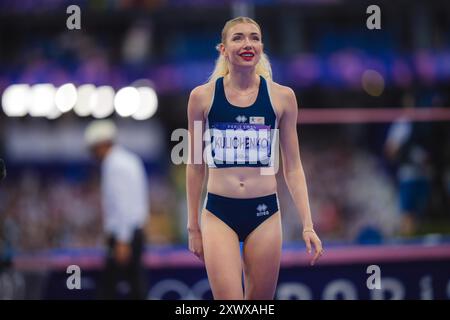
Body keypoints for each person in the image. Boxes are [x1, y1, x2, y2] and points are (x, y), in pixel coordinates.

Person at [186, 16, 323, 300]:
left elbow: (293, 167)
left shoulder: (282, 97)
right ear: (223, 49)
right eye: (238, 38)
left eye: (254, 37)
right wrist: (193, 227)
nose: (247, 43)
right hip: (218, 214)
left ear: (261, 46)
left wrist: (308, 223)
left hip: (264, 214)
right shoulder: (202, 98)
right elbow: (195, 165)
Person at [84, 120, 149, 299]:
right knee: (134, 283)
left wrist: (122, 239)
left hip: (125, 235)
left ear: (103, 143)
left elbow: (123, 204)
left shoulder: (114, 165)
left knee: (115, 286)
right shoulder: (129, 159)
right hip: (134, 231)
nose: (93, 154)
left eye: (94, 148)